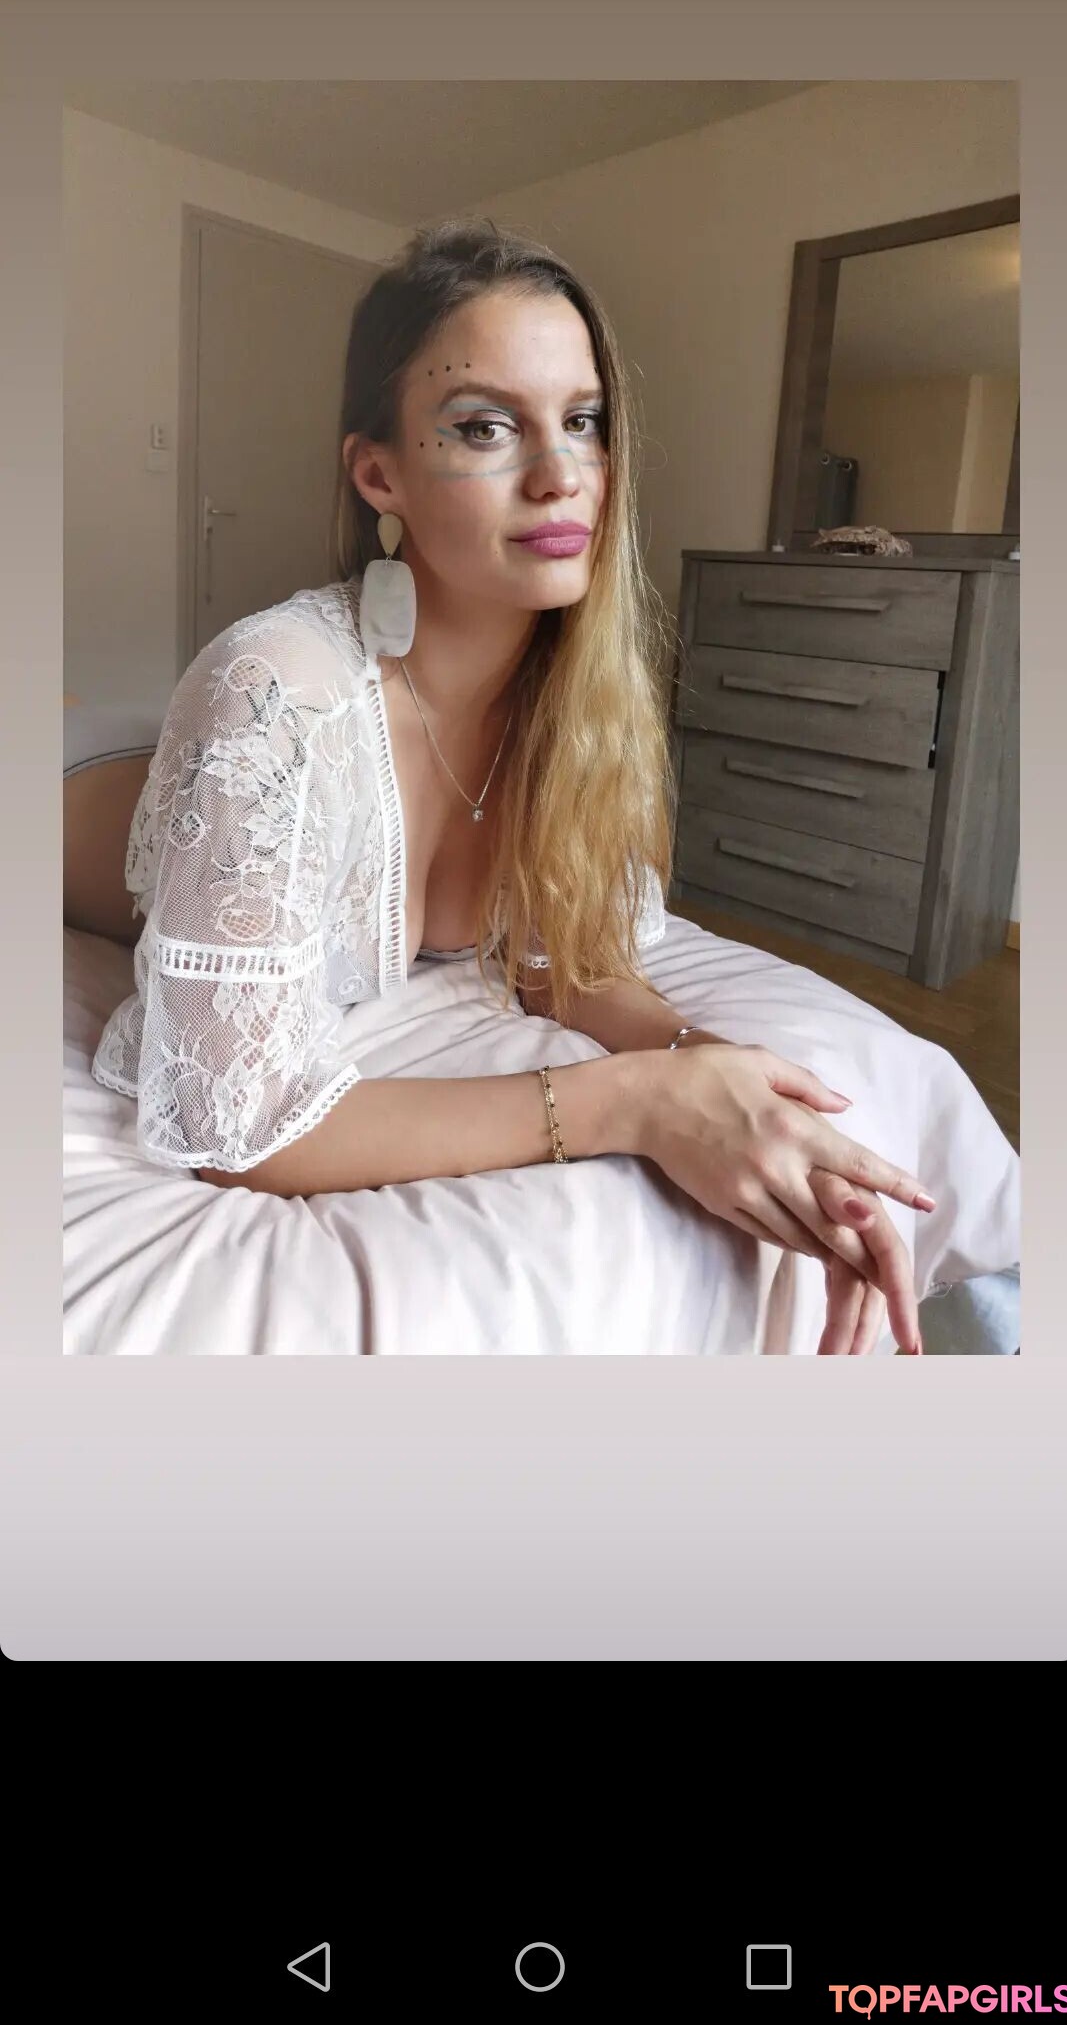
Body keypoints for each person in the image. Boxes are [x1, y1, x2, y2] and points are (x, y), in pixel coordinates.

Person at [92, 221, 990, 1356]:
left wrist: (713, 1073)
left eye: (584, 420)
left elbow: (554, 963)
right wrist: (634, 1104)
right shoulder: (274, 692)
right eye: (484, 426)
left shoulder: (579, 698)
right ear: (379, 474)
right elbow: (239, 1125)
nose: (563, 474)